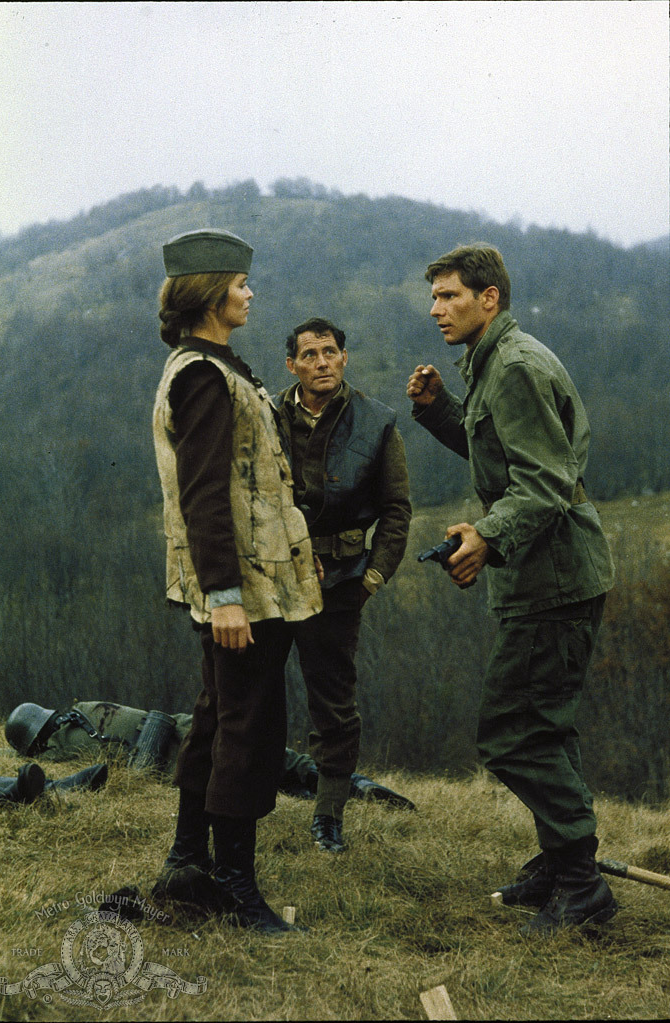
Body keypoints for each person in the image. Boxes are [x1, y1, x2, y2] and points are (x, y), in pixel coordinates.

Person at [406, 244, 617, 935]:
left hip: (553, 579)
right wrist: (442, 413)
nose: (437, 308)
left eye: (450, 295)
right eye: (434, 296)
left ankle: (582, 886)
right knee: (542, 725)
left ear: (488, 298)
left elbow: (547, 482)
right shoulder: (495, 362)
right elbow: (506, 456)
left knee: (510, 732)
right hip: (547, 575)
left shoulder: (516, 366)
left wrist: (490, 537)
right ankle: (564, 863)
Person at [152, 229, 323, 934]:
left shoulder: (218, 364)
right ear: (212, 292)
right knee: (247, 728)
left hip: (254, 583)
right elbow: (202, 496)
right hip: (242, 591)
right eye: (242, 284)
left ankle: (189, 863)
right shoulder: (201, 375)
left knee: (218, 718)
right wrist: (223, 596)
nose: (251, 293)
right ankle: (233, 885)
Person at [274, 318, 412, 852]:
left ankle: (328, 816)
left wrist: (373, 576)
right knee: (254, 692)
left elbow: (397, 510)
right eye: (309, 354)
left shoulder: (377, 423)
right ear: (293, 365)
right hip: (273, 577)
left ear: (345, 357)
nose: (321, 362)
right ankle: (243, 799)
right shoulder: (267, 417)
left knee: (332, 701)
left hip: (340, 584)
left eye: (330, 352)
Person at [2, 700, 416, 809]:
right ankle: (351, 785)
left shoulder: (59, 749)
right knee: (269, 756)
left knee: (248, 779)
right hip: (180, 726)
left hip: (166, 759)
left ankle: (312, 794)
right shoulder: (85, 707)